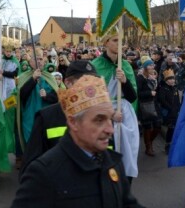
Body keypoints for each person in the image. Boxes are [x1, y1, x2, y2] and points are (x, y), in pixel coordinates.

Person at [12, 75, 143, 207]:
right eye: (99, 120)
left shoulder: (113, 161)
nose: (110, 129)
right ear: (73, 122)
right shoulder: (44, 173)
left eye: (110, 118)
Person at [20, 60, 98, 177]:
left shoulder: (102, 118)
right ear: (68, 83)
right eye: (83, 80)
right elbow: (29, 169)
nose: (89, 87)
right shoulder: (46, 118)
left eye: (93, 81)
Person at [91, 29, 140, 181]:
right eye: (115, 40)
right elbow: (91, 98)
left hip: (124, 115)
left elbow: (132, 97)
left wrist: (125, 82)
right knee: (105, 156)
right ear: (106, 43)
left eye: (121, 41)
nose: (120, 44)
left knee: (127, 155)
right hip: (102, 114)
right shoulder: (95, 66)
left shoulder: (126, 65)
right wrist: (109, 113)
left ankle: (125, 190)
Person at [137, 59, 162, 156]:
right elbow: (138, 93)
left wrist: (154, 81)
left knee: (158, 126)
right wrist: (149, 93)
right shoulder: (140, 78)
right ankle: (148, 147)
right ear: (145, 67)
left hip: (154, 103)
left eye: (153, 65)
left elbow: (157, 90)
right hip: (145, 105)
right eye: (150, 65)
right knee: (147, 127)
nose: (153, 67)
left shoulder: (152, 77)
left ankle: (150, 142)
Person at [157, 69, 180, 152]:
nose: (172, 80)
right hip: (168, 112)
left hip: (175, 111)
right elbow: (162, 100)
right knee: (171, 128)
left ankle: (173, 144)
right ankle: (168, 144)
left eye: (173, 78)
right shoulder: (163, 89)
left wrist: (178, 108)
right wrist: (170, 108)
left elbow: (177, 99)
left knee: (174, 128)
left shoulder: (175, 88)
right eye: (170, 79)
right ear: (166, 81)